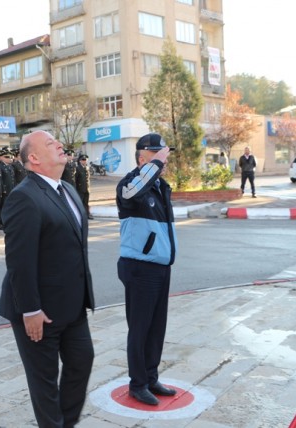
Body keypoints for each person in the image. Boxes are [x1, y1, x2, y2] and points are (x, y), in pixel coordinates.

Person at [0, 130, 95, 427]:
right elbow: (19, 261)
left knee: (82, 362)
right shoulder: (23, 197)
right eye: (51, 143)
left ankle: (63, 423)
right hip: (38, 311)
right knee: (44, 382)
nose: (59, 145)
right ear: (34, 158)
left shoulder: (68, 189)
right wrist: (30, 309)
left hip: (72, 306)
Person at [116, 133, 178, 406]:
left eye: (164, 153)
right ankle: (137, 383)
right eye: (158, 154)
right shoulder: (130, 184)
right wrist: (154, 166)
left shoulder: (160, 187)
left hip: (160, 266)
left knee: (156, 327)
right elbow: (133, 192)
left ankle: (151, 377)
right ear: (142, 156)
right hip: (140, 267)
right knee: (140, 327)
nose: (163, 158)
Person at [75, 154, 92, 219]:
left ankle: (87, 215)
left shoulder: (87, 167)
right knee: (80, 203)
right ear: (80, 161)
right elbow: (75, 179)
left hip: (87, 188)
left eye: (85, 160)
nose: (85, 161)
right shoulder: (78, 168)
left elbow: (88, 179)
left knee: (86, 203)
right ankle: (80, 215)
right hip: (80, 189)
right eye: (83, 160)